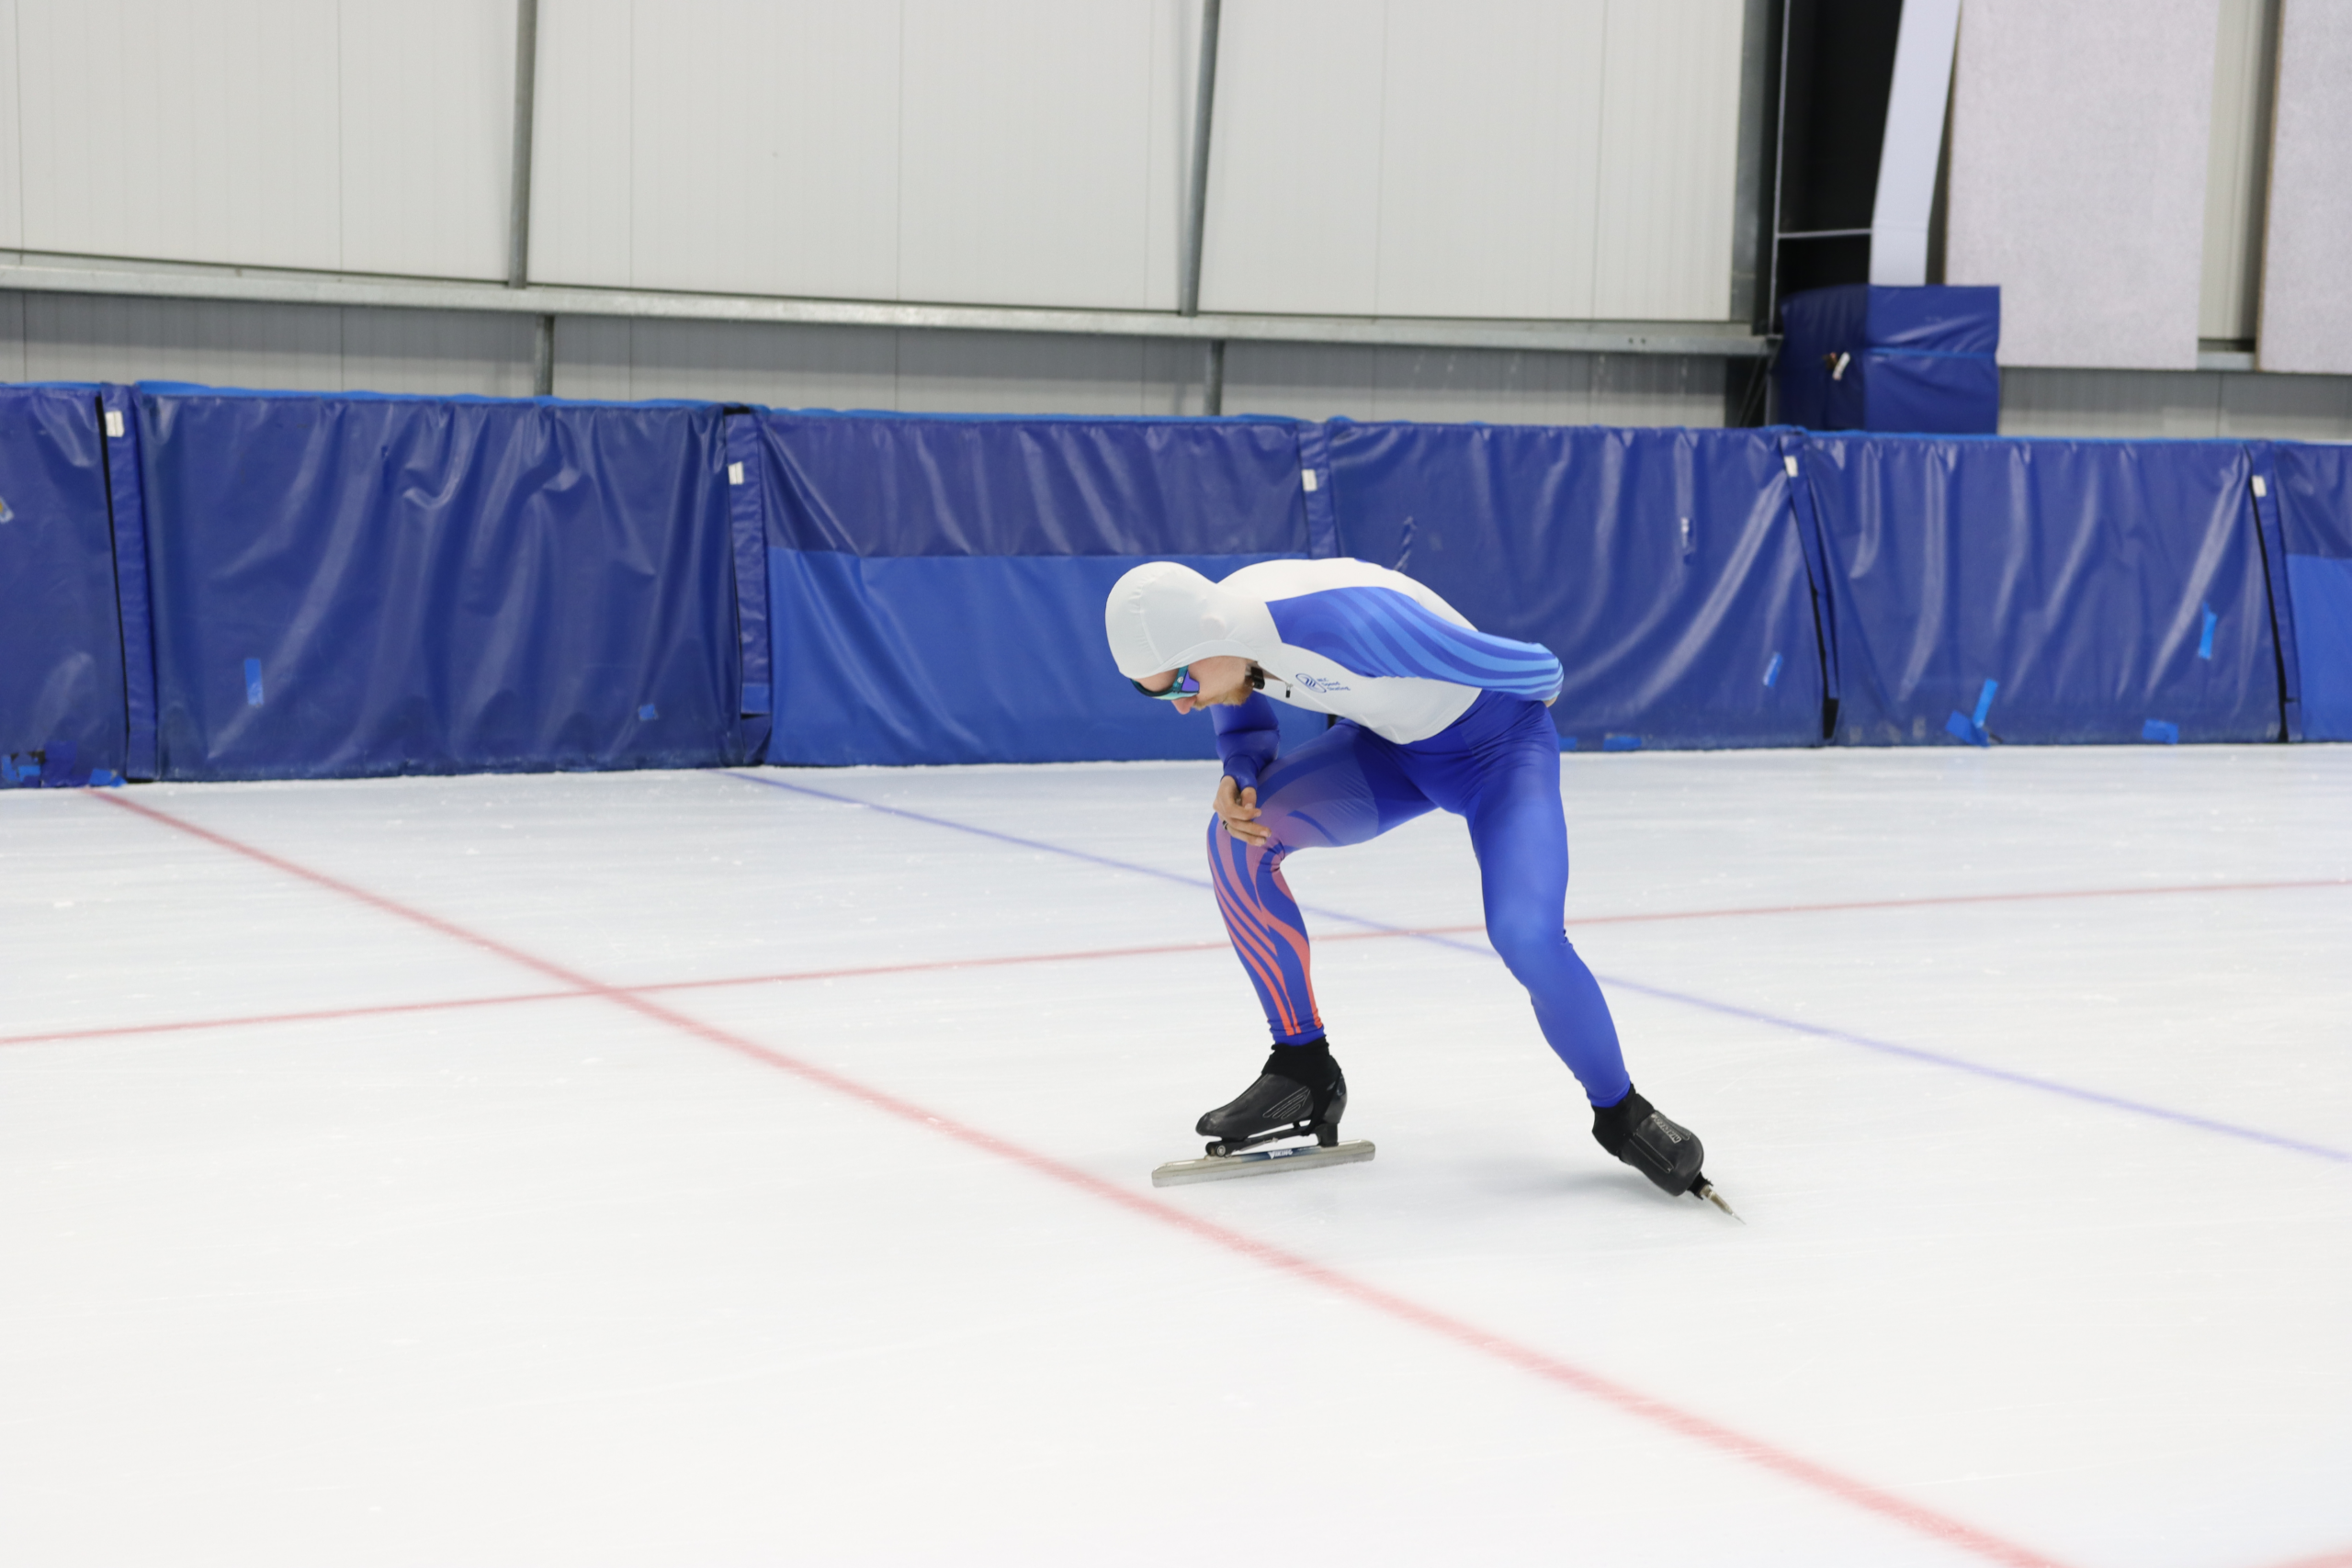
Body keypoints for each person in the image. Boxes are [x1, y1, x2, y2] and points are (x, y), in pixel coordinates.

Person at [1104, 557, 1719, 1203]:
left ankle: (1620, 1111)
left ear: (1209, 632)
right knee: (1236, 839)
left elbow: (1541, 670)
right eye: (1156, 694)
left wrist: (1502, 716)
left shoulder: (1344, 626)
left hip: (1497, 751)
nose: (1181, 703)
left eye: (1180, 681)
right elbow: (1246, 721)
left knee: (1525, 935)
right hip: (1391, 750)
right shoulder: (1226, 639)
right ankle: (1303, 1067)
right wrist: (1241, 769)